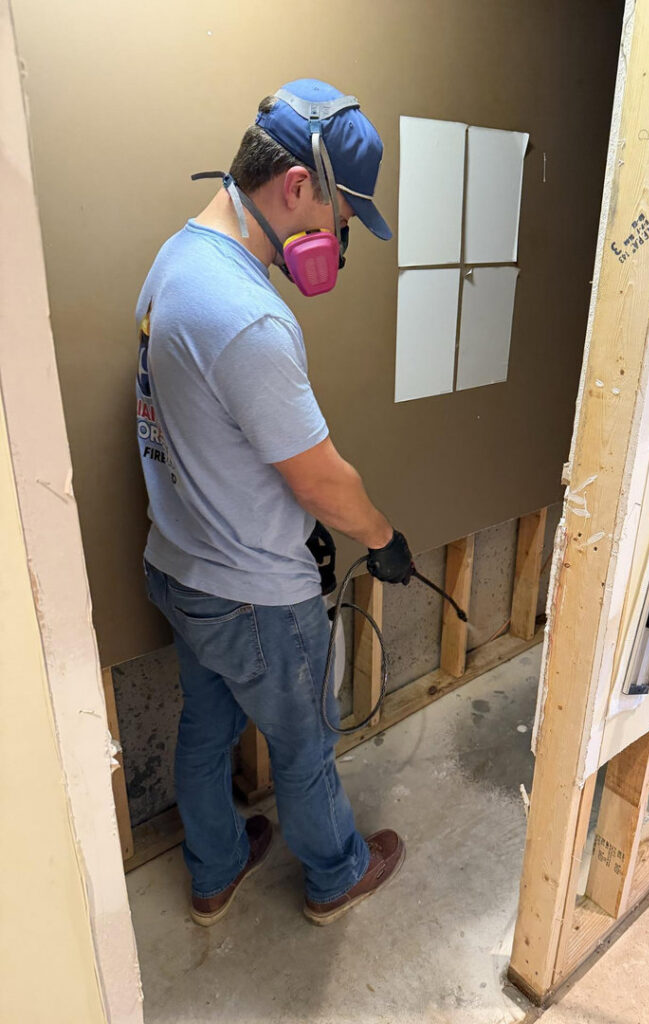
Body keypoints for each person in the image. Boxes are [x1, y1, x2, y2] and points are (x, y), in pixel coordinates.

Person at [135, 79, 412, 928]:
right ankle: (336, 874)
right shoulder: (248, 317)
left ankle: (215, 872)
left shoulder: (176, 260)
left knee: (205, 732)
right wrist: (383, 536)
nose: (332, 243)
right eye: (337, 222)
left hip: (181, 568)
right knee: (304, 747)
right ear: (297, 187)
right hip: (256, 591)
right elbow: (320, 479)